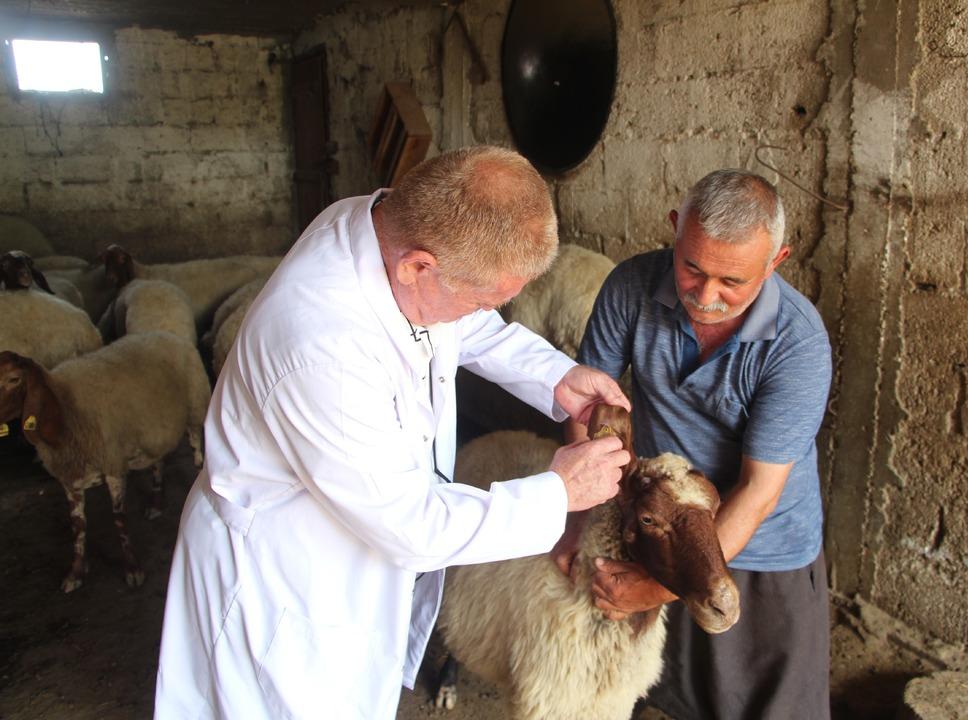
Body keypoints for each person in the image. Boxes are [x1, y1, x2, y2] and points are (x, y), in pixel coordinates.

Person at [154, 145, 632, 720]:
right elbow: (412, 524)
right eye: (480, 300)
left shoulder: (384, 228)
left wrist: (555, 375)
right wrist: (556, 493)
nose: (481, 312)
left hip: (349, 543)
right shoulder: (321, 350)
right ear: (417, 267)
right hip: (285, 581)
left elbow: (469, 325)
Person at [556, 169, 833, 719]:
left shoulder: (797, 344)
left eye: (732, 281)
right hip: (658, 529)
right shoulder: (631, 287)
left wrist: (659, 588)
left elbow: (758, 491)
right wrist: (576, 518)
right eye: (692, 269)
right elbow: (587, 407)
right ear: (675, 230)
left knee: (766, 705)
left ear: (775, 262)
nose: (706, 297)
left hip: (760, 547)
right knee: (663, 692)